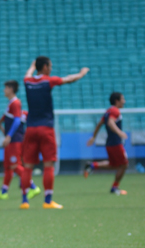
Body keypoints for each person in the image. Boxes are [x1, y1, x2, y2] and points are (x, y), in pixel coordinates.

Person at [22, 57, 90, 209]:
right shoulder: (48, 81)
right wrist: (81, 73)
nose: (51, 68)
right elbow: (69, 79)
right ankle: (48, 201)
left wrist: (32, 66)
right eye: (50, 66)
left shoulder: (27, 81)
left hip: (31, 128)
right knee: (48, 165)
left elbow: (28, 73)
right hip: (46, 128)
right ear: (45, 67)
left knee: (28, 166)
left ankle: (24, 201)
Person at [0, 80, 40, 206]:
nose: (4, 90)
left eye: (5, 88)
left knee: (15, 166)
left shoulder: (16, 103)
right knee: (8, 167)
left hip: (15, 140)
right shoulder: (11, 104)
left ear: (11, 89)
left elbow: (17, 121)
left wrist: (8, 136)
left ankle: (33, 187)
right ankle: (3, 192)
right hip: (11, 140)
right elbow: (3, 121)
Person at [84, 92, 129, 195]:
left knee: (114, 165)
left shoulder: (108, 111)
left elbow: (100, 124)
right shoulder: (115, 111)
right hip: (116, 143)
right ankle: (114, 188)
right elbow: (110, 123)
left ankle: (92, 165)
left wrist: (94, 137)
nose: (124, 101)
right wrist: (120, 133)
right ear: (117, 101)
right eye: (123, 99)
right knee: (124, 165)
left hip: (109, 143)